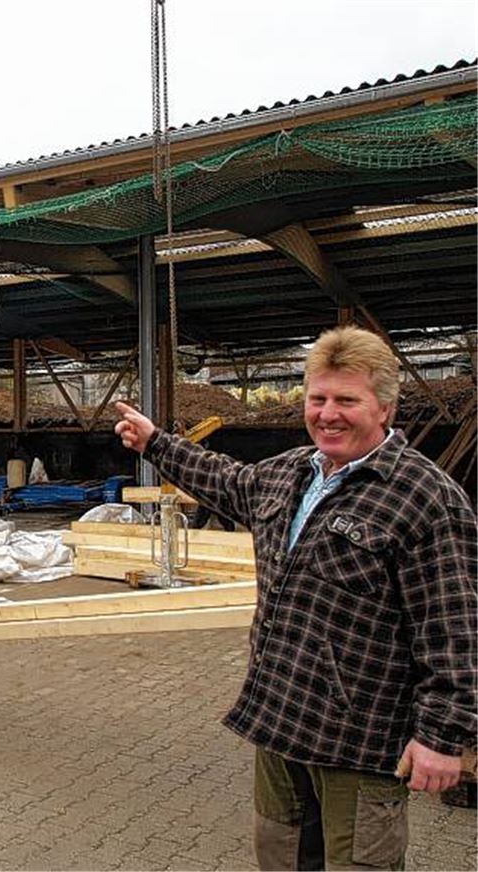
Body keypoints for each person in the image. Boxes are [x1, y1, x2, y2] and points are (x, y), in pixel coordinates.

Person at [114, 325, 476, 871]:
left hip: (360, 743)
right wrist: (155, 442)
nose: (328, 414)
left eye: (346, 401)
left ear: (385, 408)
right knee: (281, 857)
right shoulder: (289, 473)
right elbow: (225, 480)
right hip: (282, 722)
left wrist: (443, 738)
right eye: (318, 399)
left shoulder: (424, 498)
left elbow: (453, 630)